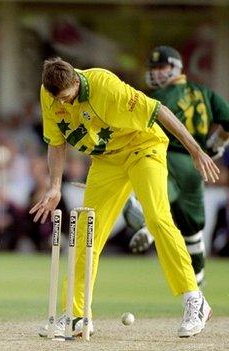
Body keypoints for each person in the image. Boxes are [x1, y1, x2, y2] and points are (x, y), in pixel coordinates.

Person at [31, 57, 218, 338]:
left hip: (144, 147)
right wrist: (55, 186)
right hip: (107, 161)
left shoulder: (107, 87)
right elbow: (56, 142)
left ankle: (195, 299)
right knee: (85, 234)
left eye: (68, 99)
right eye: (59, 101)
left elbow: (161, 111)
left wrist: (196, 151)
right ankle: (77, 316)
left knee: (157, 218)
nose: (64, 106)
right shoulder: (50, 96)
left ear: (75, 83)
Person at [123, 46, 229, 287]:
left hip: (168, 156)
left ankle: (145, 218)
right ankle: (198, 290)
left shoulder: (160, 98)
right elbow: (228, 121)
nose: (157, 73)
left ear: (177, 67)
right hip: (197, 166)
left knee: (159, 195)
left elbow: (136, 130)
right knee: (192, 231)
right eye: (155, 68)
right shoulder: (203, 92)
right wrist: (217, 142)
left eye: (163, 67)